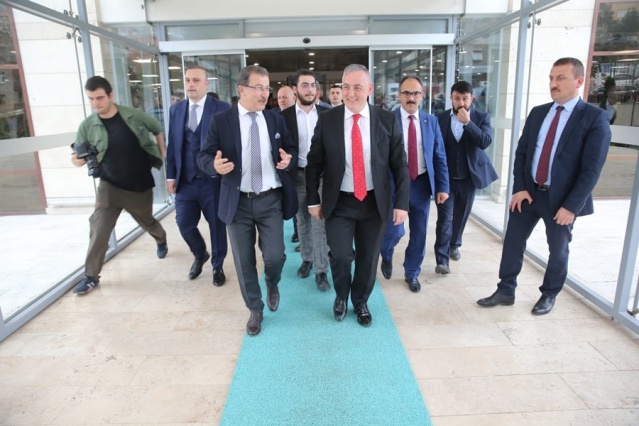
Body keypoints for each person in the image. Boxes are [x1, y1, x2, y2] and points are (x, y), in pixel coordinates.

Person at [477, 57, 611, 315]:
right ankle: (506, 290)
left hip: (561, 200)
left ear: (579, 81)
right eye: (551, 78)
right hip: (529, 193)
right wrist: (519, 187)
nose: (553, 83)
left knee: (558, 250)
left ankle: (549, 295)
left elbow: (591, 169)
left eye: (560, 78)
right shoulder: (538, 113)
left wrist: (571, 207)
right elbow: (522, 154)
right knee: (513, 241)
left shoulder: (594, 118)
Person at [306, 64, 409, 327]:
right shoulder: (328, 119)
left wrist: (401, 204)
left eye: (357, 87)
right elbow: (314, 162)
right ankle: (341, 296)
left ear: (369, 89)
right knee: (341, 255)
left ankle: (360, 301)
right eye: (346, 87)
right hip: (339, 201)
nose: (350, 93)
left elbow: (400, 165)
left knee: (368, 257)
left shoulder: (386, 120)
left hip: (375, 202)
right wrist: (313, 199)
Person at [197, 65, 297, 336]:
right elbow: (203, 156)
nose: (265, 94)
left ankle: (272, 282)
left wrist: (288, 160)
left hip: (270, 199)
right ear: (242, 89)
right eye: (259, 88)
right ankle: (255, 308)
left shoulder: (275, 119)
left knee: (275, 256)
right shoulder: (222, 121)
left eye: (267, 88)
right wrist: (213, 166)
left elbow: (291, 149)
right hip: (237, 201)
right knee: (243, 261)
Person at [71, 76, 167, 295]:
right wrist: (79, 160)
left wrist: (162, 152)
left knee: (147, 221)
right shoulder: (87, 126)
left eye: (99, 98)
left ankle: (161, 239)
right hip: (109, 186)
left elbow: (156, 127)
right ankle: (91, 276)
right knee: (99, 228)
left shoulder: (132, 115)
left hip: (138, 184)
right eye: (91, 99)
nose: (95, 103)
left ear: (110, 95)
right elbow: (76, 158)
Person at [380, 76, 449, 292]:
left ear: (422, 95)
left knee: (419, 232)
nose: (411, 98)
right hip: (394, 186)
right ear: (399, 95)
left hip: (421, 184)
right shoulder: (387, 120)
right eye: (407, 93)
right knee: (394, 232)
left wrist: (443, 186)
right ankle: (386, 253)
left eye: (416, 93)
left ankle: (412, 273)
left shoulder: (431, 121)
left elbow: (439, 155)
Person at [166, 66, 230, 285]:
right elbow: (173, 145)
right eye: (187, 80)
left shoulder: (221, 108)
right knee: (184, 223)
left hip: (212, 181)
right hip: (186, 181)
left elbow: (230, 144)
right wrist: (170, 176)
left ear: (206, 84)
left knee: (217, 226)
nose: (190, 84)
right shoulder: (176, 110)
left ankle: (217, 266)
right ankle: (200, 253)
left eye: (195, 80)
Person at [434, 81, 498, 271]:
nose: (461, 102)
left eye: (465, 98)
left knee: (461, 216)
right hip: (446, 180)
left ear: (472, 98)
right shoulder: (440, 118)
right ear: (451, 98)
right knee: (444, 219)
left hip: (469, 178)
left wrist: (468, 123)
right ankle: (442, 260)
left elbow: (485, 141)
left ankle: (454, 244)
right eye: (457, 98)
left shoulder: (481, 117)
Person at [281, 69, 331, 291]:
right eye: (304, 85)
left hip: (322, 175)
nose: (310, 89)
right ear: (295, 89)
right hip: (298, 175)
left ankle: (321, 270)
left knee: (320, 222)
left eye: (313, 85)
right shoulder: (283, 117)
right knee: (302, 220)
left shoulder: (328, 113)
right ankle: (307, 259)